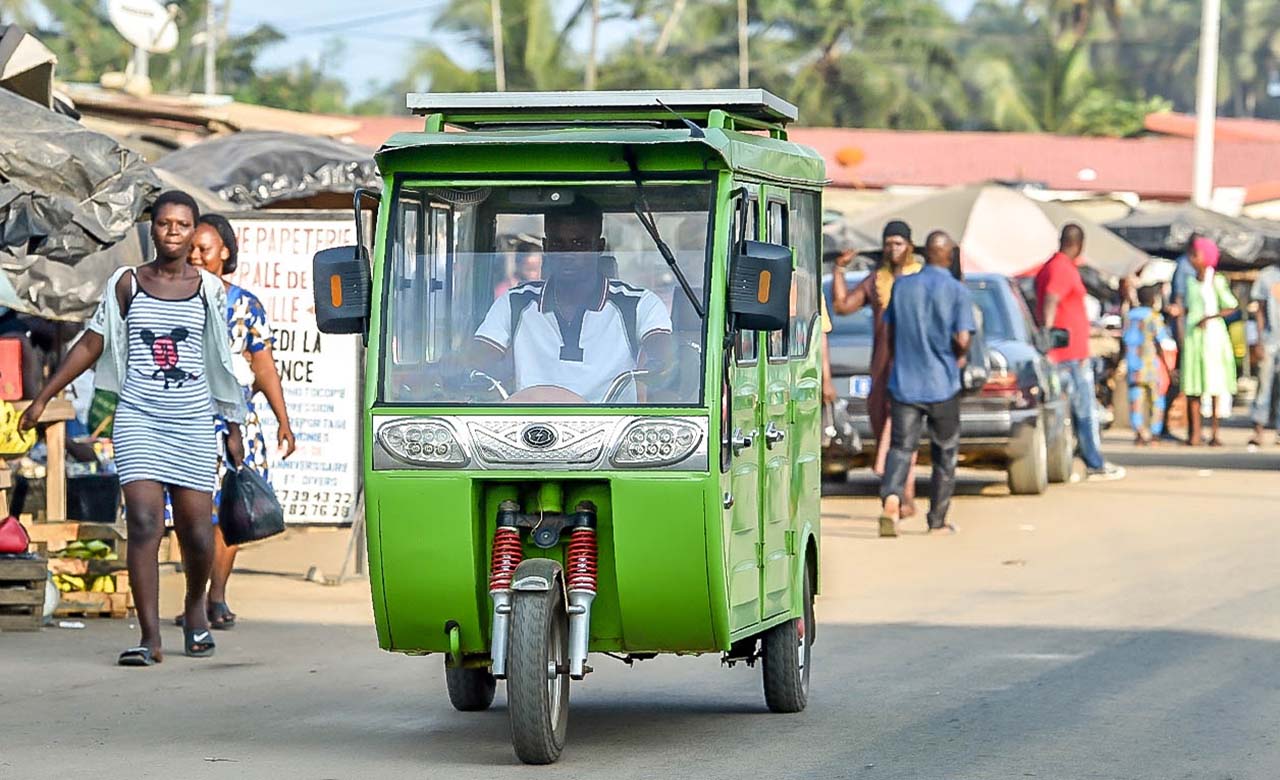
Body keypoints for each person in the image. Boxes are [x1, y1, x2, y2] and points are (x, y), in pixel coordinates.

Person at [18, 191, 248, 666]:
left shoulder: (209, 289)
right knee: (143, 521)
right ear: (152, 229)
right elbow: (93, 343)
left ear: (193, 231)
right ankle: (149, 637)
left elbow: (221, 362)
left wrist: (233, 423)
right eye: (164, 224)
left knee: (197, 533)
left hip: (191, 422)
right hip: (139, 418)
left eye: (182, 225)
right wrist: (44, 396)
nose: (172, 233)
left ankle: (193, 607)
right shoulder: (128, 283)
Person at [178, 213, 297, 630]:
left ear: (224, 253)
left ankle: (216, 596)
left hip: (234, 423)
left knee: (227, 512)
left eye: (204, 249)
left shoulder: (245, 305)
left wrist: (283, 421)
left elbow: (264, 368)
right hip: (184, 422)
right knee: (191, 514)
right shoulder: (171, 298)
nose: (195, 256)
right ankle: (194, 597)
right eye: (191, 248)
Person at [471, 200, 672, 402]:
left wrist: (663, 361)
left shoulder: (638, 303)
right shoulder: (515, 301)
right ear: (546, 247)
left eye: (579, 244)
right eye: (558, 244)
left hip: (614, 428)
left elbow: (661, 350)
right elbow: (480, 354)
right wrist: (453, 365)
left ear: (599, 247)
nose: (567, 253)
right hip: (529, 428)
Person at [878, 231, 974, 536]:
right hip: (942, 383)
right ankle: (937, 520)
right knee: (944, 453)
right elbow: (962, 338)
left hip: (905, 381)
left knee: (901, 447)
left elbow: (890, 334)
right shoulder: (957, 291)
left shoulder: (903, 286)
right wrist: (959, 353)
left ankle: (891, 500)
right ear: (947, 256)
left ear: (925, 253)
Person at [830, 220, 923, 513]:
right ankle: (898, 494)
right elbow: (843, 306)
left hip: (913, 366)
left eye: (898, 243)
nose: (892, 249)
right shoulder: (876, 279)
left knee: (903, 430)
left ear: (909, 246)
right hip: (883, 367)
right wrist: (839, 270)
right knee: (883, 423)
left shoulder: (921, 277)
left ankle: (901, 494)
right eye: (888, 243)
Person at [1035, 224, 1126, 481]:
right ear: (1079, 245)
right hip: (1068, 355)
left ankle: (1071, 461)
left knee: (1068, 413)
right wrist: (1049, 334)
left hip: (1068, 352)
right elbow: (1052, 298)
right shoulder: (1062, 268)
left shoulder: (1053, 266)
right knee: (1083, 411)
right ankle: (1093, 462)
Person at [1181, 238, 1239, 447]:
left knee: (1215, 384)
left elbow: (1232, 306)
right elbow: (1188, 307)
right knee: (1193, 386)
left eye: (1195, 255)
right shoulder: (1189, 281)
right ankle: (1195, 433)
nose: (1192, 259)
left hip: (1213, 338)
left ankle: (1215, 432)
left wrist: (1210, 317)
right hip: (1193, 337)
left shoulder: (1218, 281)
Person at [1159, 234, 1198, 441]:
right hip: (1183, 334)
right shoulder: (1185, 267)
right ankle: (1163, 425)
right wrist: (1182, 341)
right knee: (1178, 381)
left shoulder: (1194, 266)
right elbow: (1179, 306)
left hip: (1189, 334)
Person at [1123, 285, 1170, 445]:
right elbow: (1161, 341)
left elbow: (1124, 339)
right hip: (1150, 364)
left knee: (1136, 400)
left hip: (1132, 364)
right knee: (1156, 400)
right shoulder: (1154, 317)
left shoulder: (1129, 316)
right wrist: (1168, 366)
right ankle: (1154, 433)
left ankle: (1139, 432)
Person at [1248, 260, 1280, 447]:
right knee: (1264, 385)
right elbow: (1258, 310)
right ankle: (1258, 430)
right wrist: (1258, 340)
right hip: (1269, 338)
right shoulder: (1267, 275)